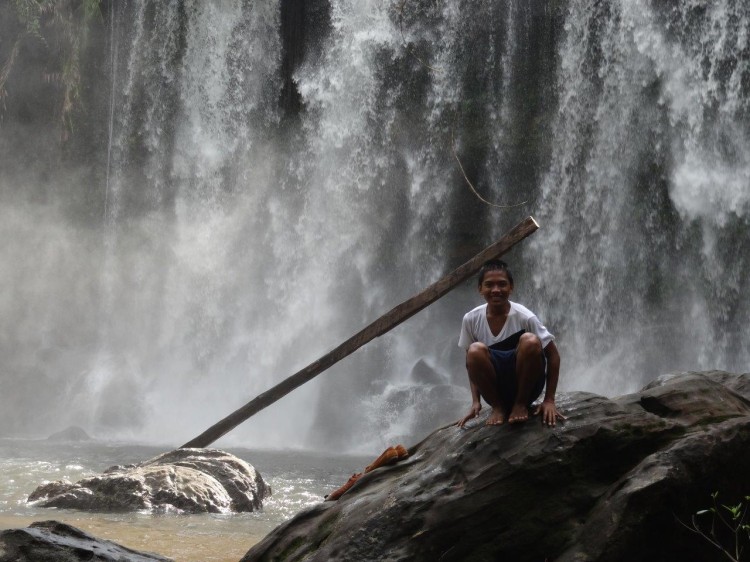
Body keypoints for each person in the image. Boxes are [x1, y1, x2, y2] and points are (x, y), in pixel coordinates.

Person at [456, 259, 564, 428]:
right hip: (494, 391)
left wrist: (549, 400)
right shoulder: (471, 319)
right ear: (480, 289)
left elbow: (553, 356)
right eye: (489, 285)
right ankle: (498, 408)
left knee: (530, 341)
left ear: (511, 288)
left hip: (527, 386)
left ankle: (520, 405)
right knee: (474, 350)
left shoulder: (525, 317)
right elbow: (471, 365)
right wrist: (475, 402)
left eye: (502, 284)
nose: (496, 290)